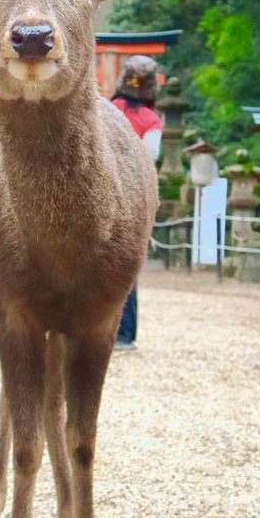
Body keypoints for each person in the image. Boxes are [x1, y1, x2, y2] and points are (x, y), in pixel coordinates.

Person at [111, 56, 163, 351]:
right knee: (125, 266)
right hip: (132, 198)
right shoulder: (152, 121)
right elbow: (150, 158)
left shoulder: (107, 108)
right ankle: (125, 334)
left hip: (98, 190)